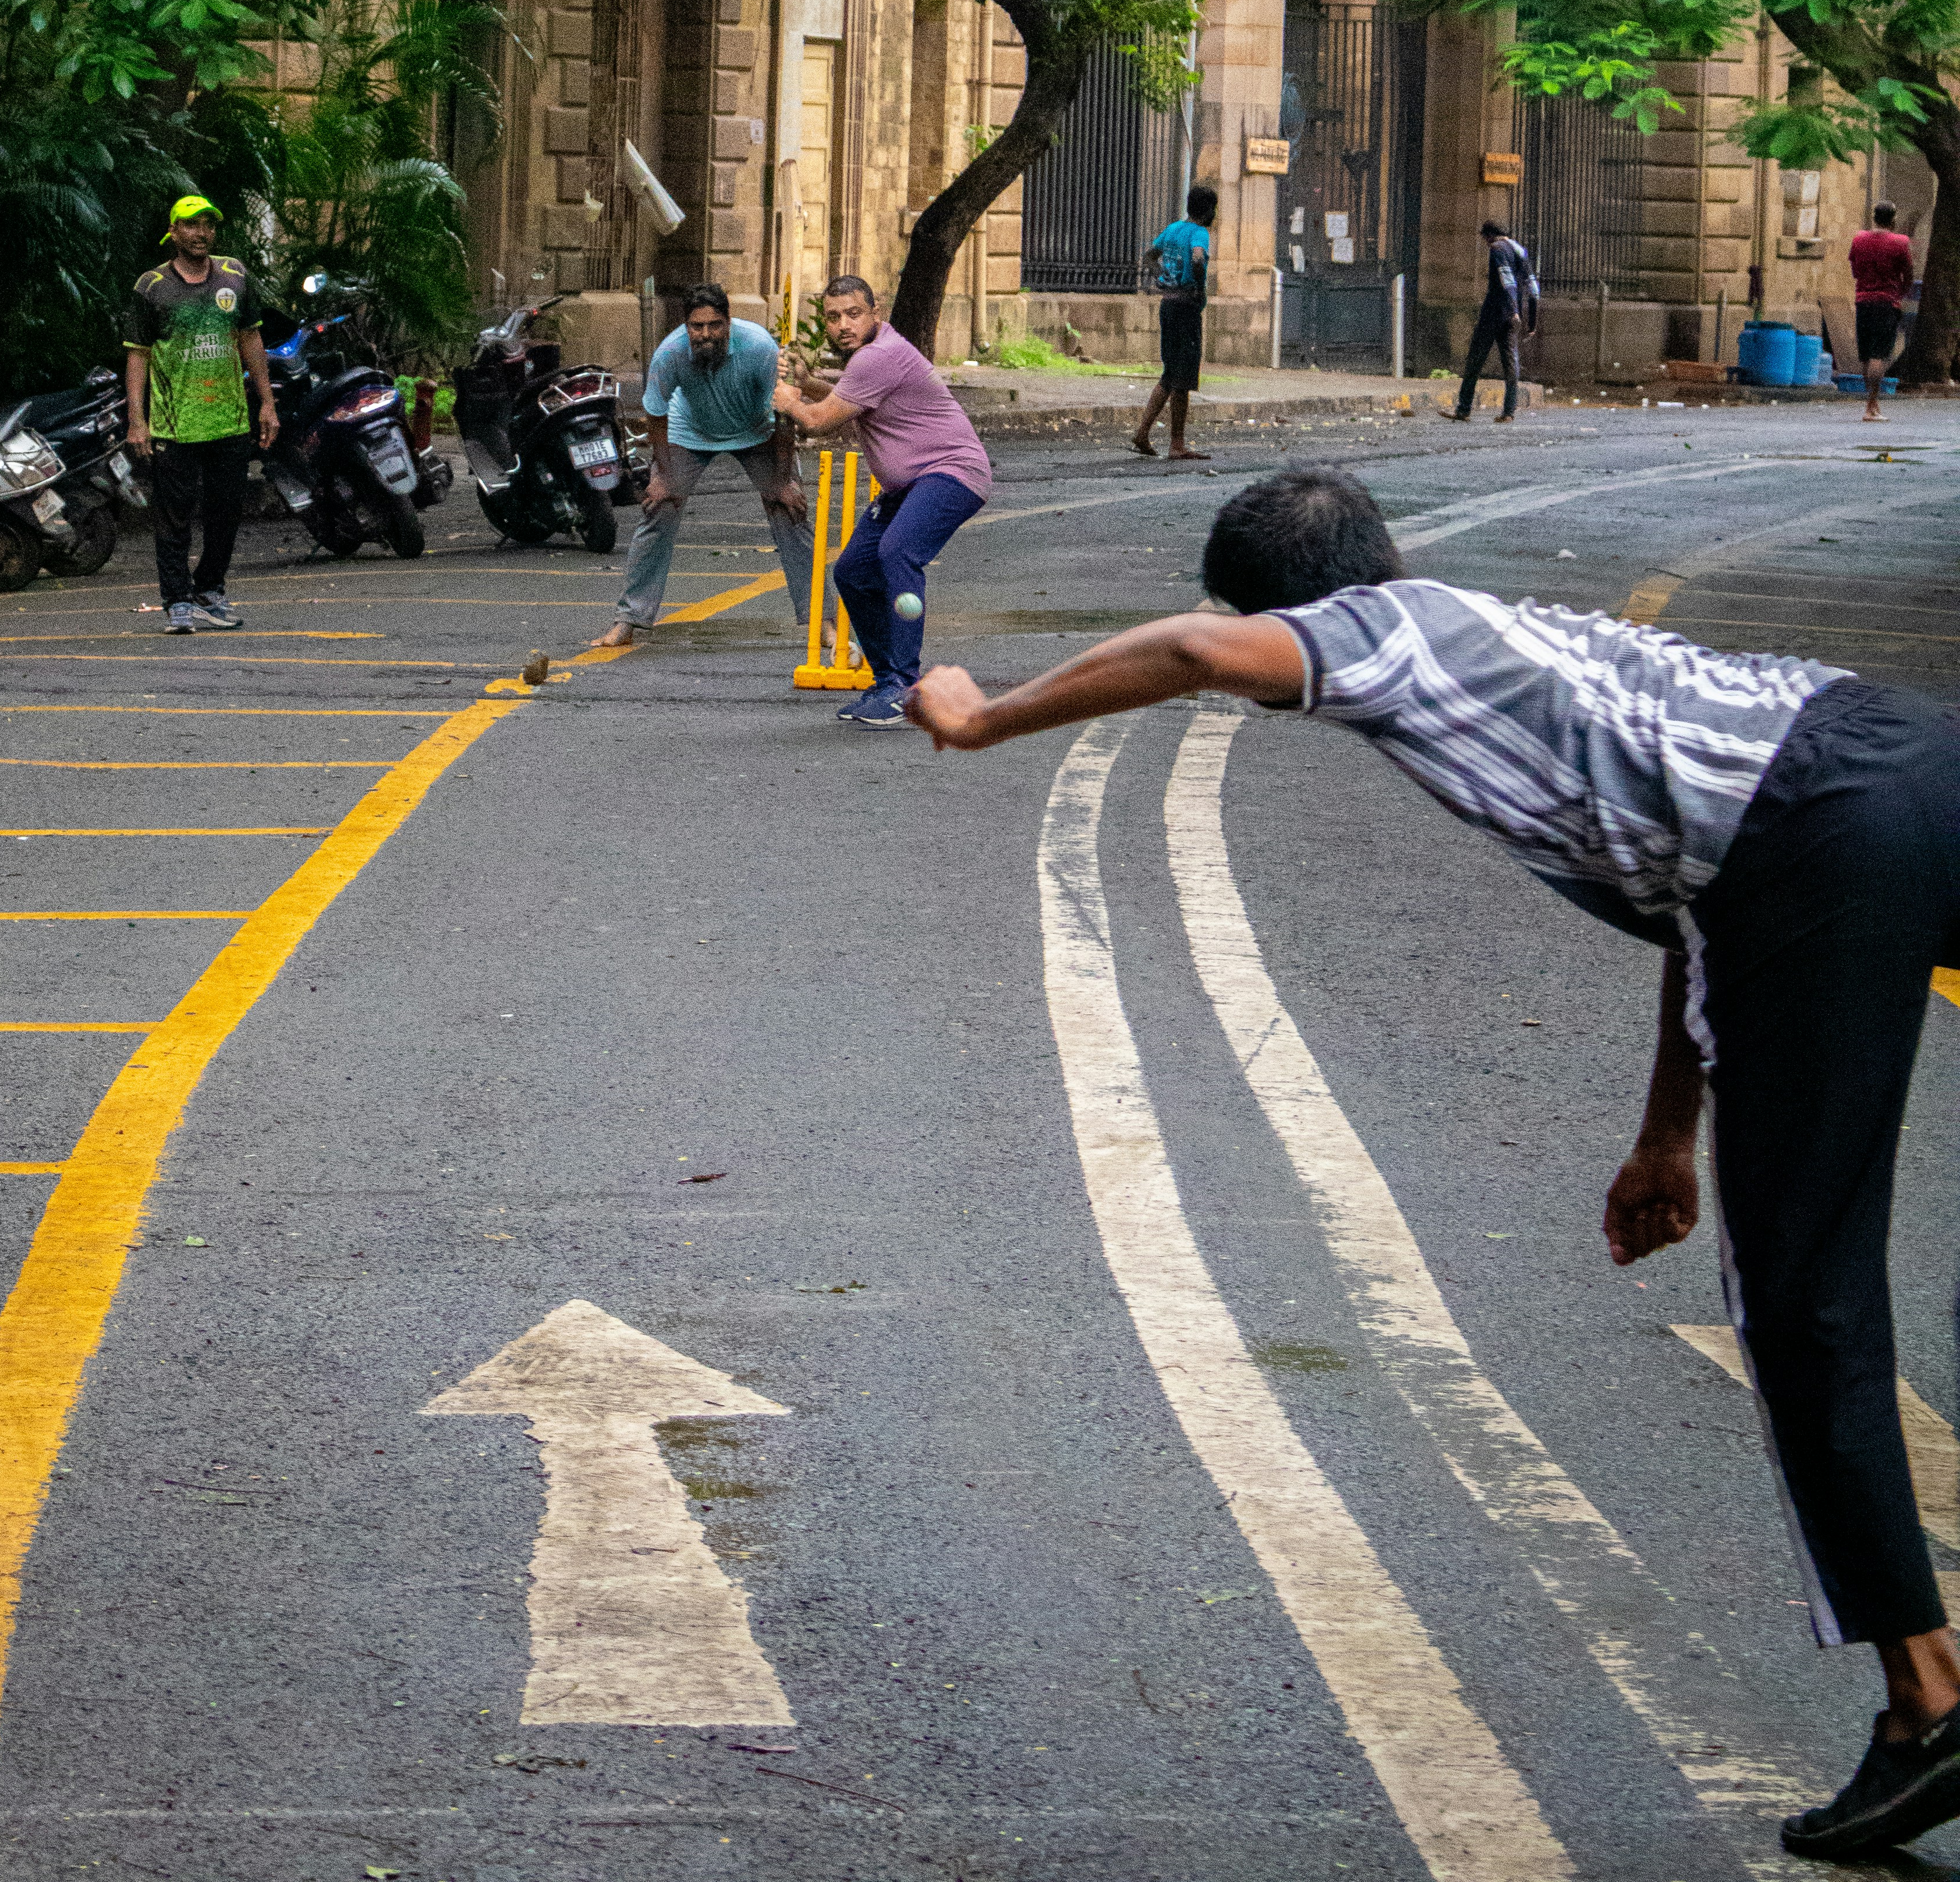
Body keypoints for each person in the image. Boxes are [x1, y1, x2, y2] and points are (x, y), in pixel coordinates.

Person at [910, 460, 1960, 1866]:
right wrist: (1664, 1134)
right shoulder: (1520, 638)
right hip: (1889, 758)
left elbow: (1183, 649)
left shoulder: (1379, 631)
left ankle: (1926, 1700)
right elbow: (1701, 899)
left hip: (1827, 841)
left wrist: (985, 719)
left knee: (1801, 1297)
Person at [774, 272, 993, 731]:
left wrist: (790, 399)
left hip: (951, 474)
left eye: (854, 314)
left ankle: (904, 685)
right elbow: (850, 396)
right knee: (852, 572)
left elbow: (817, 421)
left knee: (898, 552)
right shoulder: (871, 359)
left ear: (877, 314)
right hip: (908, 485)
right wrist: (810, 382)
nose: (843, 326)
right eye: (833, 318)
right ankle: (886, 680)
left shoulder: (879, 356)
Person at [591, 283, 814, 653]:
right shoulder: (671, 353)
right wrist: (663, 475)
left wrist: (781, 481)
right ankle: (629, 619)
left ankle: (819, 620)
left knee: (789, 510)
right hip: (689, 430)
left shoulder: (759, 347)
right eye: (697, 326)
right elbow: (656, 414)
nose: (705, 334)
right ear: (686, 326)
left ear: (729, 323)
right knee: (658, 508)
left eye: (714, 325)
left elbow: (784, 414)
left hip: (756, 429)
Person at [125, 194, 278, 634]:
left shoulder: (235, 276)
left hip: (228, 419)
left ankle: (210, 591)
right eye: (191, 225)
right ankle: (177, 601)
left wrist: (267, 402)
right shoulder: (151, 287)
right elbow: (138, 356)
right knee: (173, 515)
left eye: (208, 225)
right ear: (174, 232)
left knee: (225, 512)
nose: (201, 233)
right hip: (176, 423)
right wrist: (139, 421)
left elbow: (250, 340)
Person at [1133, 182, 1219, 461]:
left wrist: (1163, 277)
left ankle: (1143, 432)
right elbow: (1196, 258)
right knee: (1182, 379)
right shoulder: (1200, 233)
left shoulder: (1172, 230)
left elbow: (1149, 256)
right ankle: (1177, 445)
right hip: (1187, 308)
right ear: (1207, 211)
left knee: (1171, 374)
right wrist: (1196, 276)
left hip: (1168, 305)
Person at [1454, 216, 1539, 423]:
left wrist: (1513, 309)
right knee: (1511, 362)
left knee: (1475, 359)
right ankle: (1509, 412)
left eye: (1485, 237)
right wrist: (1532, 322)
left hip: (1494, 313)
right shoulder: (1520, 251)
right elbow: (1534, 289)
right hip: (1511, 318)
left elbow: (1506, 280)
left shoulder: (1498, 249)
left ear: (1489, 236)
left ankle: (1464, 409)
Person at [1849, 204, 1915, 423]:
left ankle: (1873, 404)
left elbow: (1855, 272)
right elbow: (1909, 276)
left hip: (1863, 302)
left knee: (1867, 355)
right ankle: (1871, 405)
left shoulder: (1859, 240)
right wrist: (1900, 295)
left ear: (1874, 218)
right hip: (1887, 304)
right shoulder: (1900, 243)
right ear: (1893, 220)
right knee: (1879, 355)